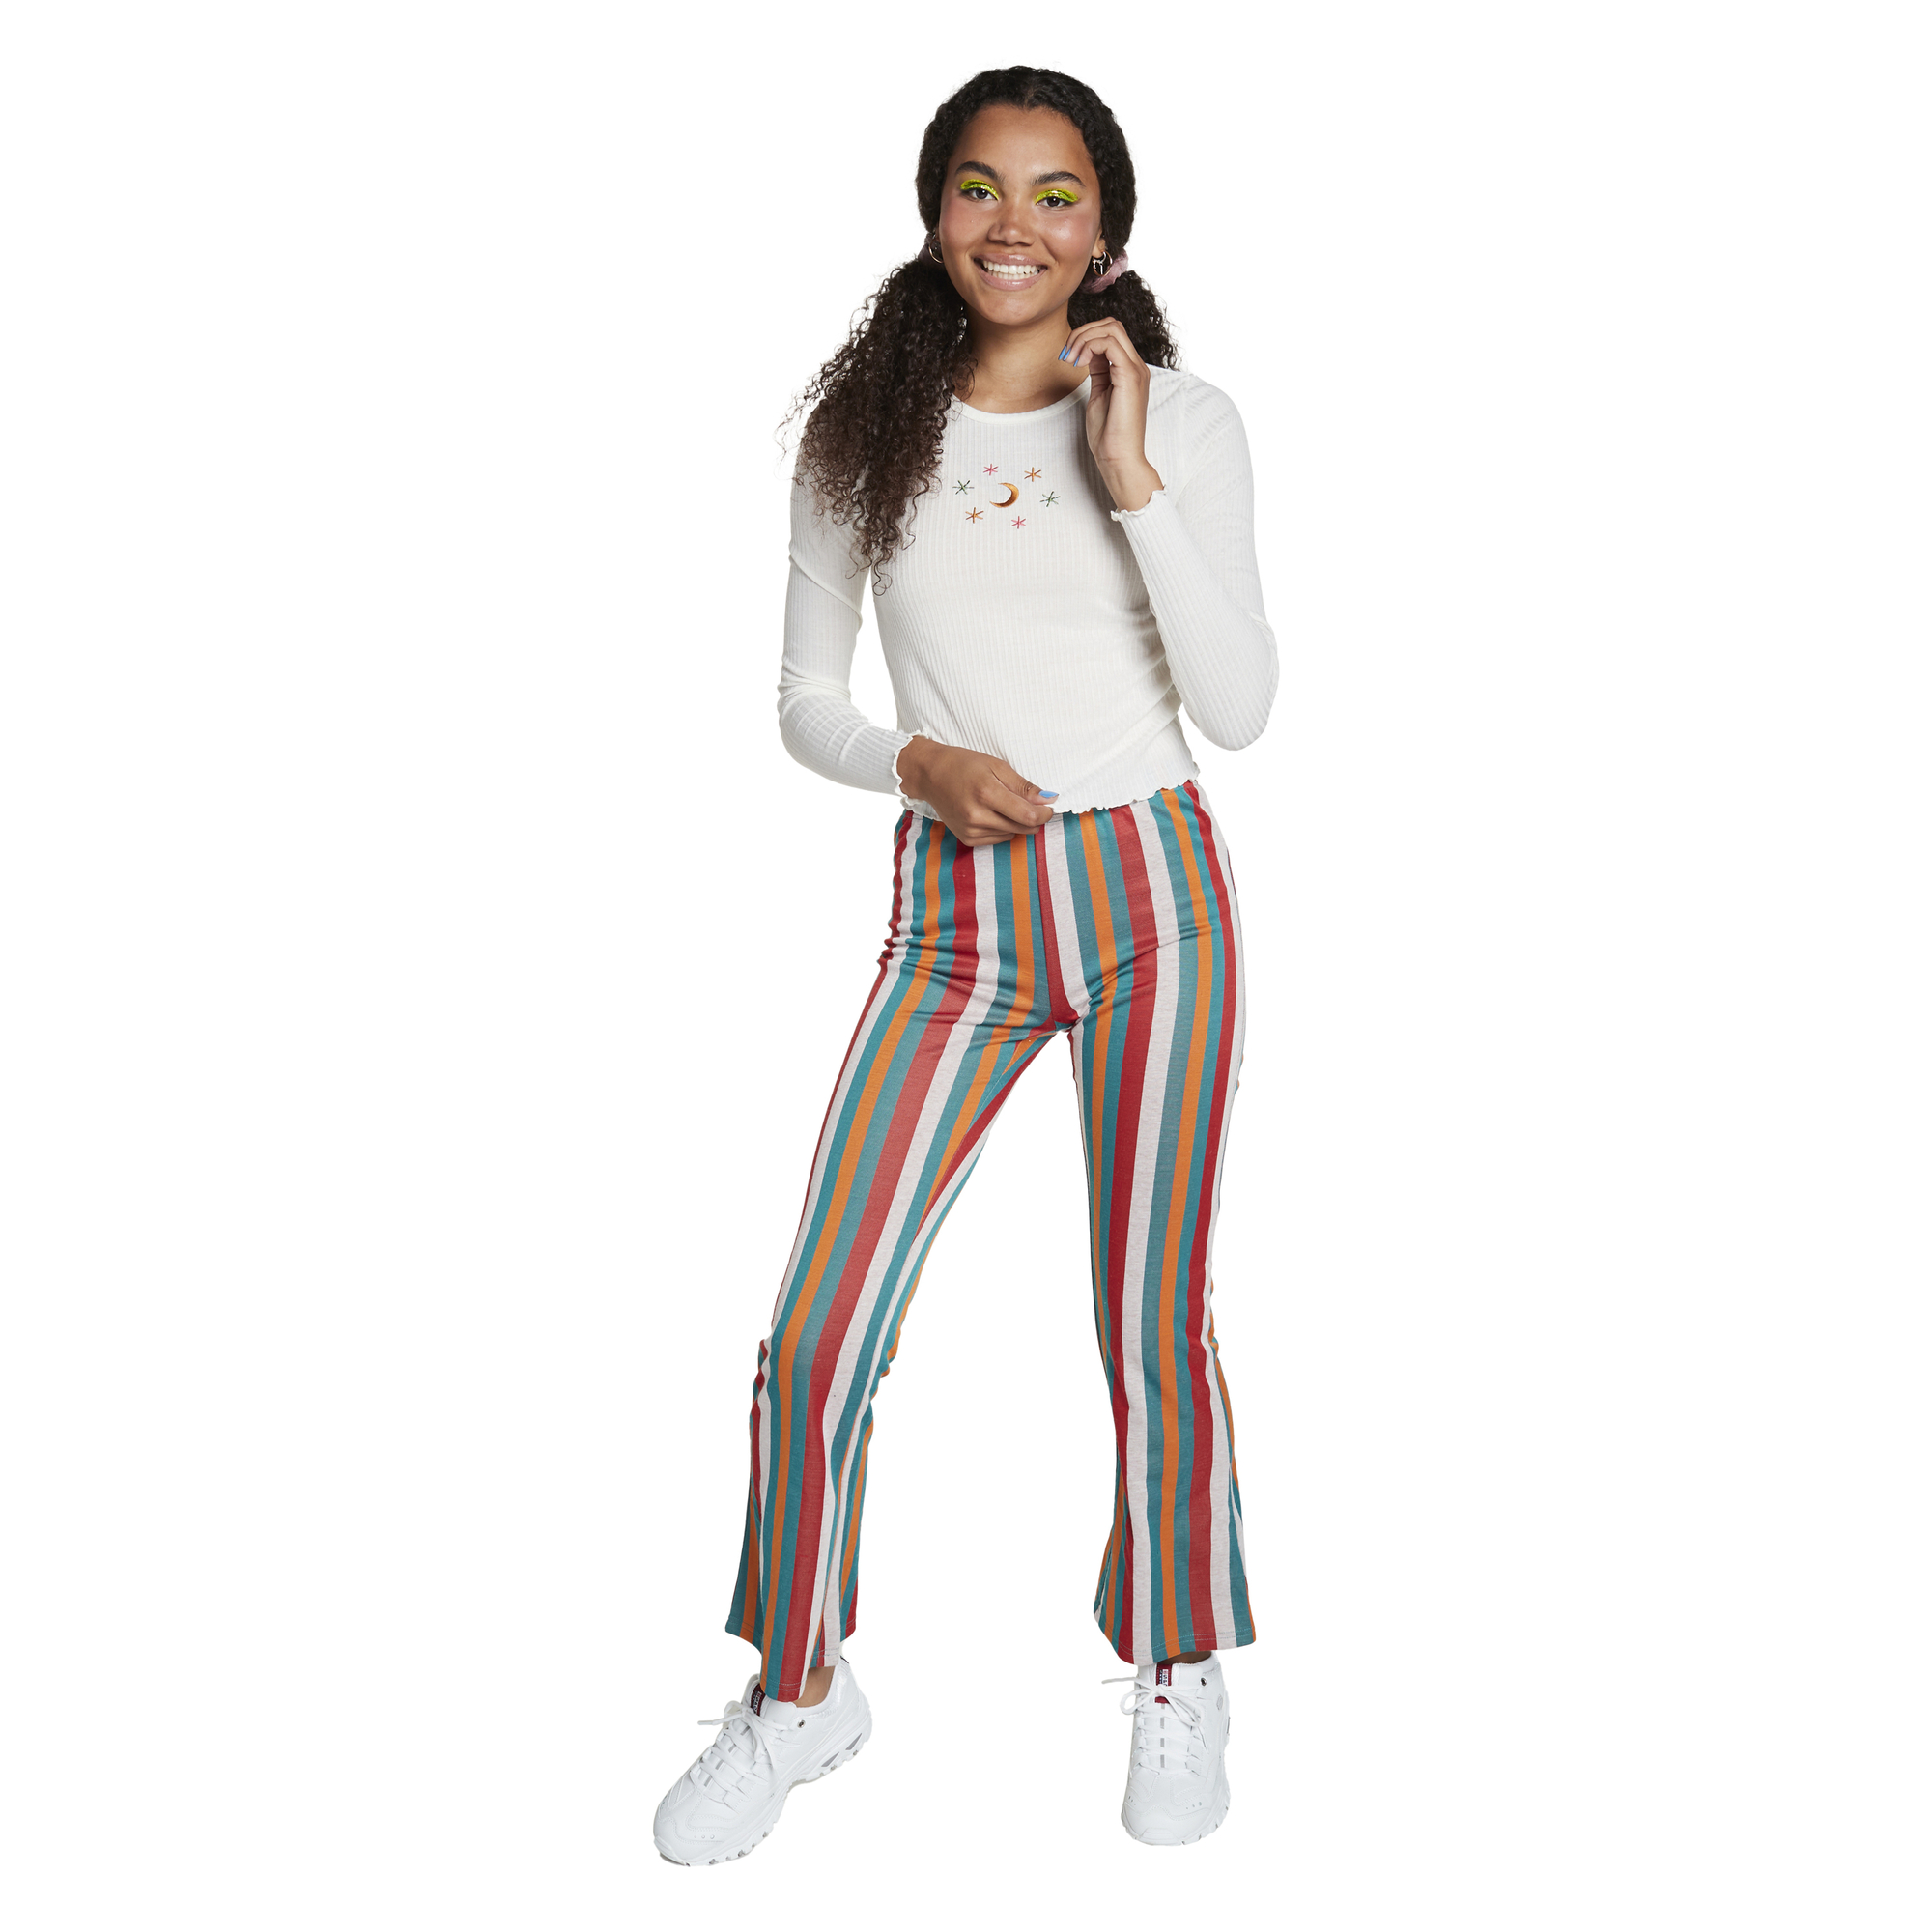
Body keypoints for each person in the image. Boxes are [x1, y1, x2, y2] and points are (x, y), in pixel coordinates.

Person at [653, 66, 1276, 1863]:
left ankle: (1176, 1660)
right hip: (958, 913)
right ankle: (800, 1689)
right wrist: (912, 760)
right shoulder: (865, 432)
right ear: (935, 214)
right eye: (982, 188)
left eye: (1057, 193)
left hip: (1154, 894)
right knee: (818, 1326)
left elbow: (1241, 708)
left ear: (1108, 229)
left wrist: (1131, 474)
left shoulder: (1190, 421)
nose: (1018, 225)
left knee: (1149, 1315)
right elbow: (804, 700)